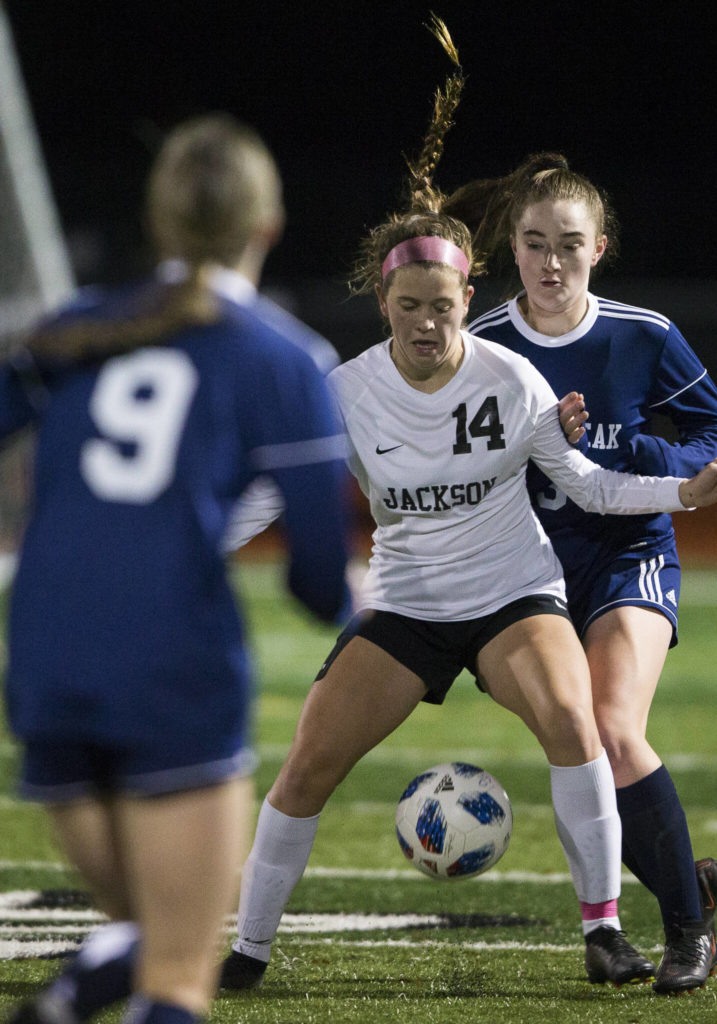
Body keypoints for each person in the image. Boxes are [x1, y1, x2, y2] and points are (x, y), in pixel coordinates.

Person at [218, 53, 717, 993]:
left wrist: (677, 486)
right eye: (408, 306)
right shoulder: (345, 389)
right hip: (414, 604)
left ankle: (621, 931)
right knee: (306, 760)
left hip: (530, 583)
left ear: (471, 300)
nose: (427, 323)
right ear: (382, 302)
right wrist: (184, 542)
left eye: (443, 307)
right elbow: (266, 494)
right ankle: (245, 952)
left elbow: (588, 480)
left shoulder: (522, 372)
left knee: (591, 727)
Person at [1, 113, 351, 1024]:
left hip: (44, 662)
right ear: (265, 226)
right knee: (180, 978)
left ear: (159, 222)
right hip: (169, 666)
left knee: (145, 929)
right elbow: (316, 584)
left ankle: (75, 992)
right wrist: (364, 597)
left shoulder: (74, 331)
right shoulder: (284, 359)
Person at [443, 152, 717, 993]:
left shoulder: (642, 335)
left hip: (628, 552)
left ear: (599, 248)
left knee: (610, 729)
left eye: (568, 244)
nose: (549, 262)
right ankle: (685, 882)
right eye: (534, 243)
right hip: (524, 577)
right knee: (583, 756)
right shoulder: (484, 345)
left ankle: (689, 933)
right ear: (512, 246)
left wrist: (654, 457)